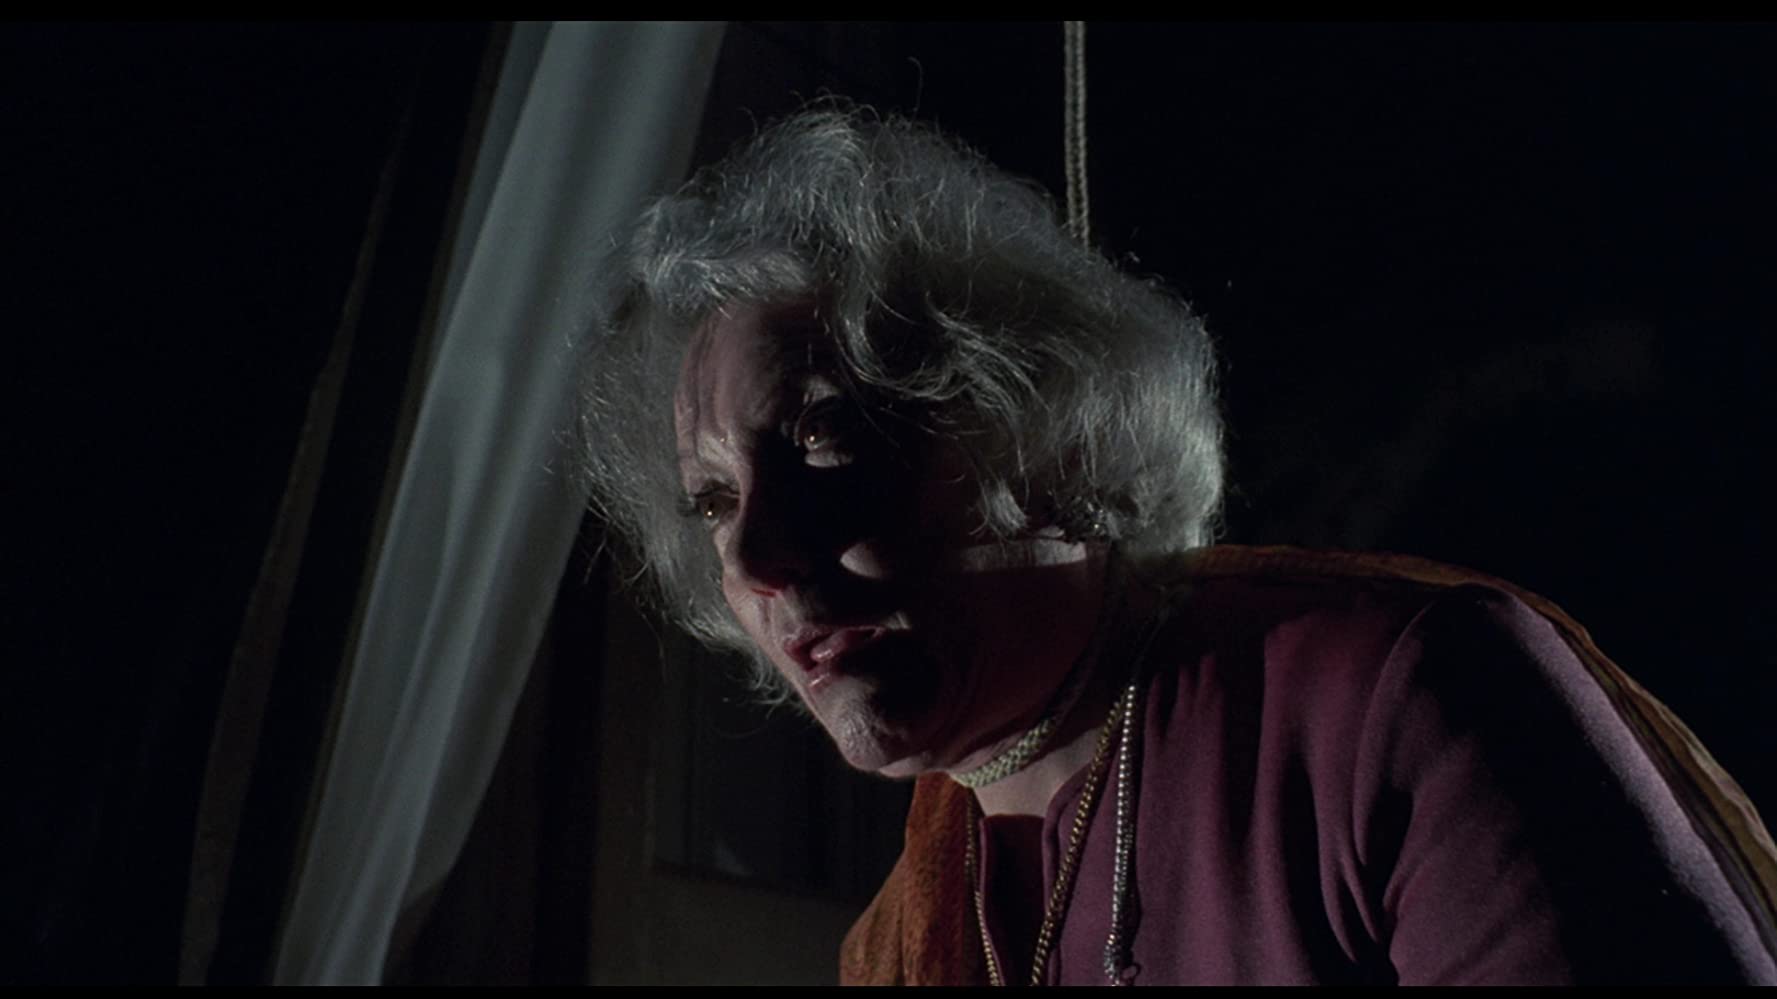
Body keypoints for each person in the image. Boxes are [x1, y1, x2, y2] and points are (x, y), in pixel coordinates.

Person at [576, 106, 1777, 985]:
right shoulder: (893, 947)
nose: (757, 558)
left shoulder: (1400, 696)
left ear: (1036, 430)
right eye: (713, 500)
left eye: (826, 439)